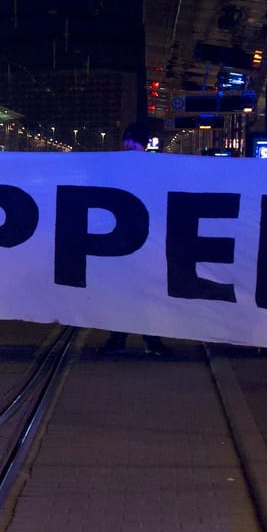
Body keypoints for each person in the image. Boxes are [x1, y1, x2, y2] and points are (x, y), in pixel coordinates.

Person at [98, 121, 173, 356]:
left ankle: (147, 338)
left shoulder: (155, 169)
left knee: (144, 292)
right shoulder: (118, 168)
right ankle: (123, 337)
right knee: (122, 291)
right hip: (121, 241)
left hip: (144, 241)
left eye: (134, 141)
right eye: (126, 140)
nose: (129, 144)